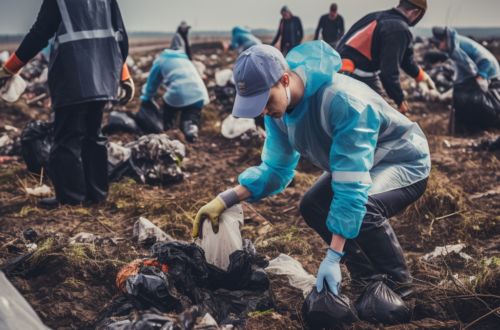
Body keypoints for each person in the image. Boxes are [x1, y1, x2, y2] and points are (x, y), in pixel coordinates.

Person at [191, 41, 430, 298]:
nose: (263, 111)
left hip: (401, 160)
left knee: (365, 208)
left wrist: (333, 256)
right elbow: (275, 168)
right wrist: (225, 199)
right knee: (312, 204)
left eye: (266, 100)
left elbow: (351, 186)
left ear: (284, 79)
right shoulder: (278, 112)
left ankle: (403, 291)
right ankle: (365, 278)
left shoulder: (341, 101)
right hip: (361, 165)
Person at [0, 0, 133, 207]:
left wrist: (10, 68)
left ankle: (71, 199)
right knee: (94, 134)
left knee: (66, 138)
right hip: (103, 74)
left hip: (73, 74)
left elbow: (39, 33)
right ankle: (97, 195)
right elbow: (118, 34)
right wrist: (124, 74)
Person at [336, 0, 436, 113]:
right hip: (351, 73)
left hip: (343, 68)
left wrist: (421, 77)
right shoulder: (398, 28)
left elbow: (405, 60)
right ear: (417, 12)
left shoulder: (377, 16)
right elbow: (388, 72)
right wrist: (400, 100)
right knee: (377, 114)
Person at [430, 27, 500, 127]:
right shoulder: (453, 46)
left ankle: (487, 125)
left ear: (445, 40)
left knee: (487, 105)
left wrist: (481, 77)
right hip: (476, 76)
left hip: (490, 75)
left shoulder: (459, 46)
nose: (438, 48)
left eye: (438, 44)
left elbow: (486, 60)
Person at [140, 49, 209, 142]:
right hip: (199, 92)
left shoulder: (160, 61)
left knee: (169, 114)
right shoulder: (185, 59)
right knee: (191, 118)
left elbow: (152, 83)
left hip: (178, 93)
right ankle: (190, 131)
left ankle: (169, 132)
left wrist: (147, 96)